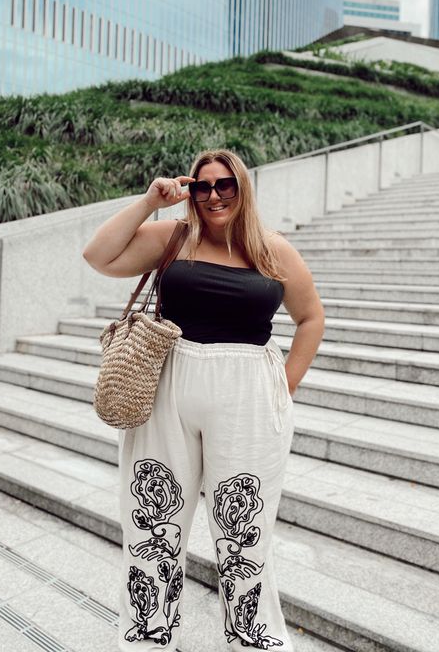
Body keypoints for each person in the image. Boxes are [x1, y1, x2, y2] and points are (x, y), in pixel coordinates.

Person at [82, 149, 325, 651]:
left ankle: (252, 638)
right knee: (153, 522)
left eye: (226, 185)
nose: (214, 195)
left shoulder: (273, 250)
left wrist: (285, 385)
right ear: (192, 192)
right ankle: (148, 637)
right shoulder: (173, 238)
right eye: (203, 186)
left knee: (245, 530)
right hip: (171, 383)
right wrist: (151, 201)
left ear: (243, 189)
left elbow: (311, 316)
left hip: (248, 393)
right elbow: (98, 255)